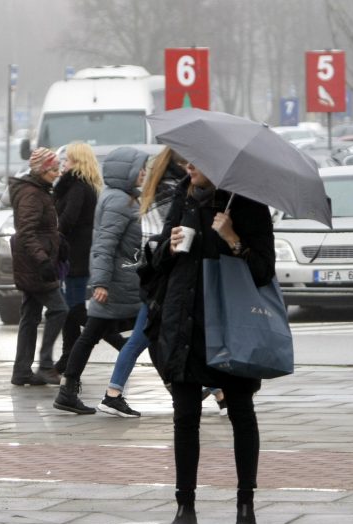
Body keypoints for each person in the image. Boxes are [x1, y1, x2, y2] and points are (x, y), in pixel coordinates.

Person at [145, 160, 276, 524]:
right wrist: (166, 249)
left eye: (199, 160)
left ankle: (245, 507)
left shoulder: (247, 204)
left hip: (231, 327)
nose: (189, 165)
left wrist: (232, 238)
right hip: (186, 323)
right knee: (185, 418)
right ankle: (185, 508)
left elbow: (264, 270)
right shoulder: (183, 199)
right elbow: (157, 263)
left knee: (240, 413)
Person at [97, 148, 226, 417]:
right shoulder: (175, 191)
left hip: (156, 271)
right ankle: (112, 394)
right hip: (167, 273)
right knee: (147, 336)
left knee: (159, 335)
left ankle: (218, 393)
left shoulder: (155, 187)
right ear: (182, 163)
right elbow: (181, 231)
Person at [52, 146, 149, 414]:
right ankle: (89, 392)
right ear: (127, 171)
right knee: (146, 329)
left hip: (120, 280)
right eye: (140, 168)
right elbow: (105, 245)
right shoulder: (119, 201)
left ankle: (70, 390)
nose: (144, 173)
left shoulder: (121, 198)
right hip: (116, 282)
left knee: (95, 332)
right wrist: (101, 283)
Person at [52, 142, 126, 375]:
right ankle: (66, 360)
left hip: (76, 256)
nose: (63, 164)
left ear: (77, 162)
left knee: (73, 310)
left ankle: (120, 344)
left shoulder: (77, 186)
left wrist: (52, 229)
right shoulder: (85, 185)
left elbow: (68, 220)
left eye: (67, 160)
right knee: (71, 310)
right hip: (78, 254)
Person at [9, 147, 68, 386]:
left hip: (34, 261)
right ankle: (45, 364)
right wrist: (43, 259)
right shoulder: (32, 194)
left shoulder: (39, 190)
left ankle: (21, 370)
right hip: (35, 264)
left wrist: (56, 243)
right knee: (59, 309)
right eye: (53, 169)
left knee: (30, 316)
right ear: (41, 169)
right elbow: (27, 231)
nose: (57, 172)